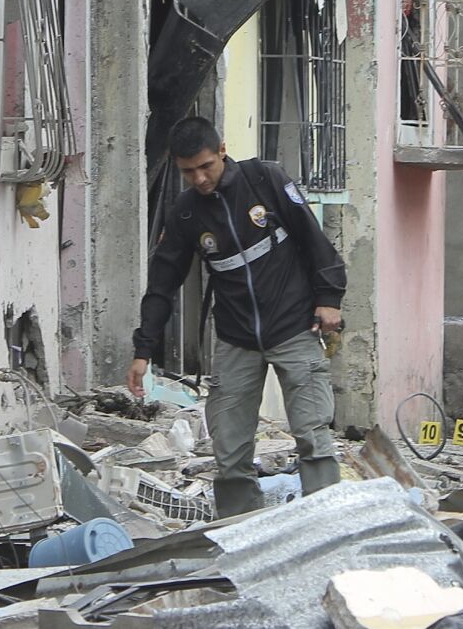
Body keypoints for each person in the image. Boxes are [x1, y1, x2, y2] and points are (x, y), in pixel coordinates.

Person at [127, 117, 347, 518]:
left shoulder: (266, 180)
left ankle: (328, 524)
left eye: (205, 166)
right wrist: (144, 350)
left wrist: (329, 298)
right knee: (229, 450)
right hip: (235, 337)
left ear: (222, 151)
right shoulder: (185, 214)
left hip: (294, 326)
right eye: (188, 171)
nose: (199, 178)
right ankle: (240, 529)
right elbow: (162, 285)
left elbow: (313, 238)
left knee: (313, 435)